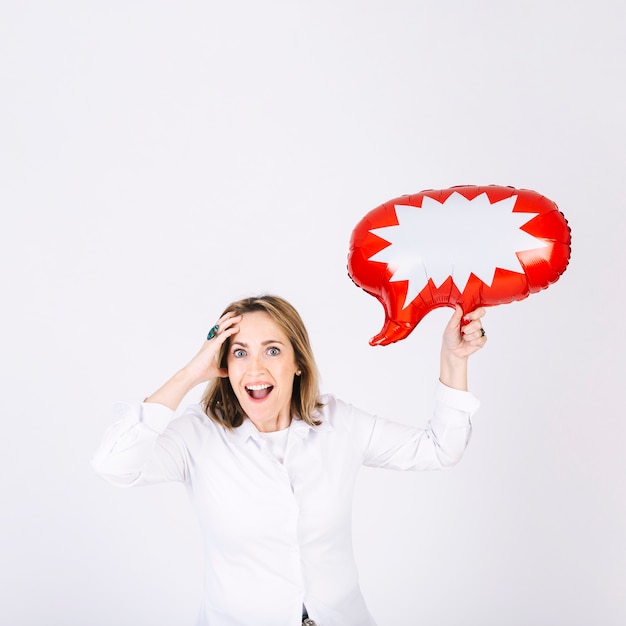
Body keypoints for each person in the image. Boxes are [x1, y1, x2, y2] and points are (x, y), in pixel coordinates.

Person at [92, 294, 487, 626]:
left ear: (297, 362)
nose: (256, 369)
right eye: (240, 353)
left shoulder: (337, 422)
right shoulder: (199, 435)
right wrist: (190, 373)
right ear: (224, 365)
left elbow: (440, 448)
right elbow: (114, 464)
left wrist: (455, 359)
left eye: (273, 350)